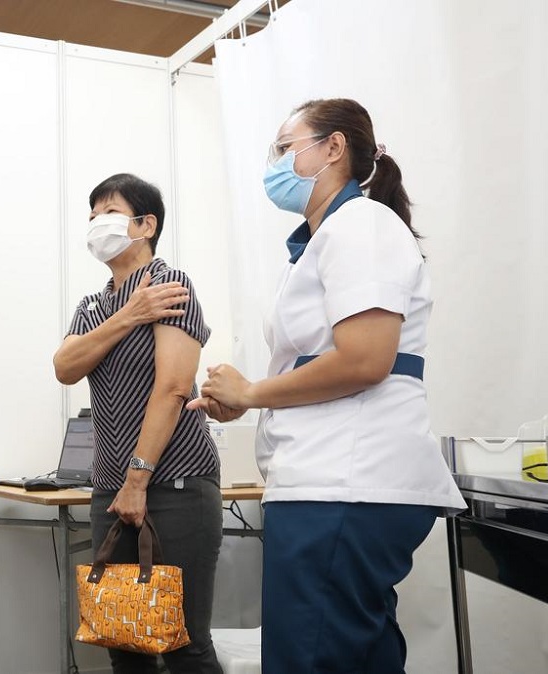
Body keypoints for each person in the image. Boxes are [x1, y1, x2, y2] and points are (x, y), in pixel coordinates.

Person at [188, 98, 466, 673]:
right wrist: (245, 399)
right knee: (353, 656)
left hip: (346, 480)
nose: (276, 164)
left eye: (285, 148)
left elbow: (365, 359)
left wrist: (252, 393)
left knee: (310, 658)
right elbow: (321, 358)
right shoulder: (324, 240)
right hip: (335, 481)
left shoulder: (361, 225)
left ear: (333, 148)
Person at [54, 173, 224, 673]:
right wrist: (129, 316)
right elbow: (66, 367)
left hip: (174, 483)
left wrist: (137, 480)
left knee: (184, 644)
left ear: (146, 224)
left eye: (106, 213)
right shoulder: (95, 304)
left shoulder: (172, 286)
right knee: (123, 639)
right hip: (110, 488)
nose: (94, 226)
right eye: (90, 218)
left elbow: (172, 387)